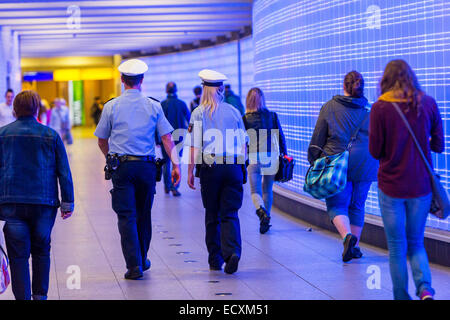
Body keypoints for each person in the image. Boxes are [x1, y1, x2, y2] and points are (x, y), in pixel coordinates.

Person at [94, 59, 181, 280]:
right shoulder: (154, 105)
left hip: (122, 167)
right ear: (142, 81)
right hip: (146, 167)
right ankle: (142, 258)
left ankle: (134, 266)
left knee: (126, 216)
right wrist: (176, 164)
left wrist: (110, 158)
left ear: (122, 80)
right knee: (144, 214)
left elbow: (102, 140)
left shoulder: (111, 106)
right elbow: (166, 138)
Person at [369, 59, 444, 300]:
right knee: (416, 243)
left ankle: (401, 296)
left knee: (397, 246)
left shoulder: (380, 108)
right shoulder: (428, 103)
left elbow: (375, 151)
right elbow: (439, 145)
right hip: (421, 187)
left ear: (385, 80)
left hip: (391, 187)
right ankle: (425, 289)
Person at [0, 90, 74, 300]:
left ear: (14, 110)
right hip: (44, 204)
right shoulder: (51, 135)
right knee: (41, 249)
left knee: (18, 254)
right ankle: (40, 295)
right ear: (36, 109)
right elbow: (64, 172)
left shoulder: (2, 135)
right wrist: (67, 203)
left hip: (10, 203)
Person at [308, 71, 378, 262]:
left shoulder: (330, 107)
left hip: (336, 163)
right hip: (365, 163)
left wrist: (314, 160)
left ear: (344, 86)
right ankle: (353, 247)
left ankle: (347, 237)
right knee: (357, 205)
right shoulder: (369, 111)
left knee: (337, 204)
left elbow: (318, 138)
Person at [186, 69, 248, 274]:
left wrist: (189, 172)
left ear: (204, 89)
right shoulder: (233, 111)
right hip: (233, 168)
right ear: (221, 89)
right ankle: (233, 252)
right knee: (230, 212)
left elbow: (194, 145)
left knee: (212, 214)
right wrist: (241, 167)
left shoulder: (198, 112)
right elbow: (244, 144)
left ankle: (215, 258)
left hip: (210, 169)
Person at [243, 88, 287, 234]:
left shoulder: (245, 119)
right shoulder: (272, 116)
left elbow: (243, 142)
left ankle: (261, 213)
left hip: (254, 157)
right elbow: (281, 136)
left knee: (255, 191)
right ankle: (266, 219)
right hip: (271, 156)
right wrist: (284, 154)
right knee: (267, 190)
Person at [160, 82, 190, 196]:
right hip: (179, 137)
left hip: (165, 137)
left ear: (166, 91)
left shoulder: (162, 104)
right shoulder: (181, 104)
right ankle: (174, 186)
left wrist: (158, 139)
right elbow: (189, 118)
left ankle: (167, 186)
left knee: (166, 161)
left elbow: (157, 124)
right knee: (176, 162)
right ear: (176, 90)